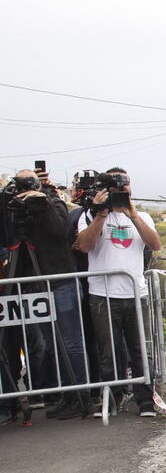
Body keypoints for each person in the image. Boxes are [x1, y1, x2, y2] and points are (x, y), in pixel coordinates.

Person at [0, 169, 89, 420]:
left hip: (58, 278)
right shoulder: (10, 205)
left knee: (70, 342)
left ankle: (79, 396)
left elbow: (60, 231)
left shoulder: (54, 202)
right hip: (33, 283)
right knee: (49, 344)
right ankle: (62, 395)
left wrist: (43, 201)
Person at [75, 167, 161, 417]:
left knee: (140, 351)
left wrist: (132, 214)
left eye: (126, 186)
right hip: (103, 295)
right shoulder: (89, 216)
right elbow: (84, 245)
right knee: (108, 353)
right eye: (116, 188)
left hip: (136, 294)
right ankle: (111, 400)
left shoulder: (141, 215)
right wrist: (100, 214)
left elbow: (155, 244)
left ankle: (145, 401)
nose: (122, 192)